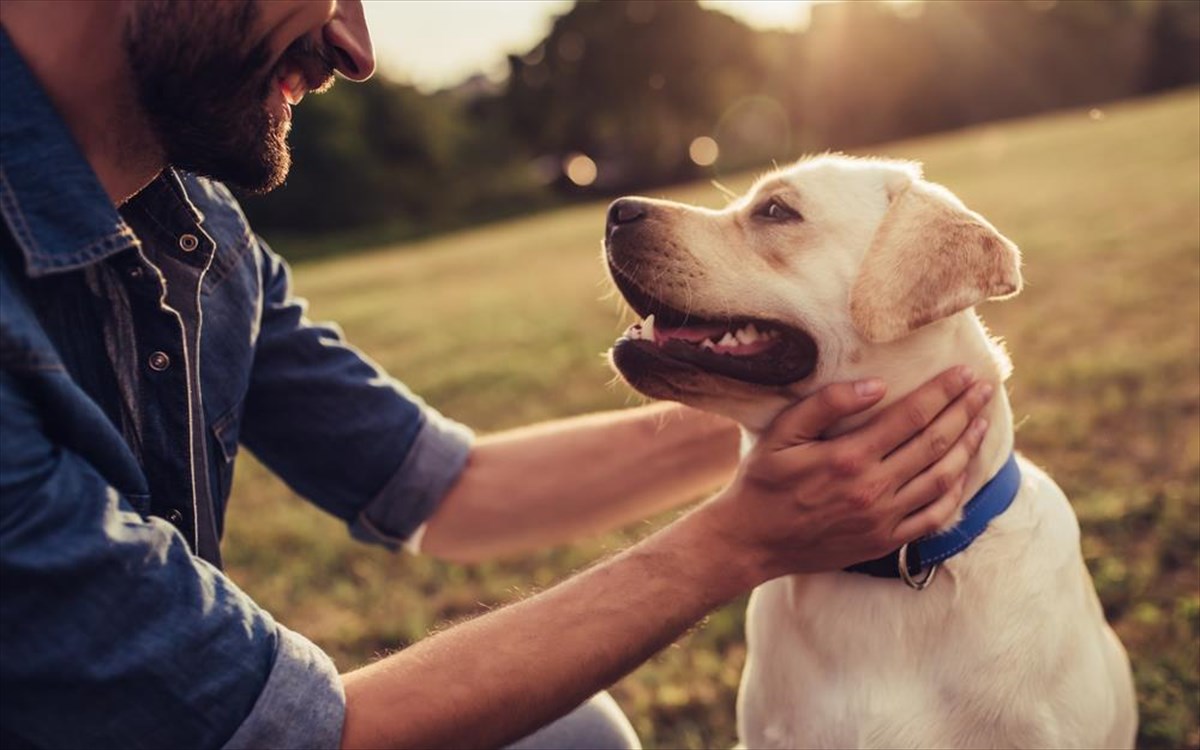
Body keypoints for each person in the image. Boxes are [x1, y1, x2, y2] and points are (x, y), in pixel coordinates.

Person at [0, 2, 995, 748]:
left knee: (575, 740)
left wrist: (833, 404)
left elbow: (450, 488)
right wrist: (735, 542)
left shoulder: (201, 232)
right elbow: (290, 734)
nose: (355, 45)